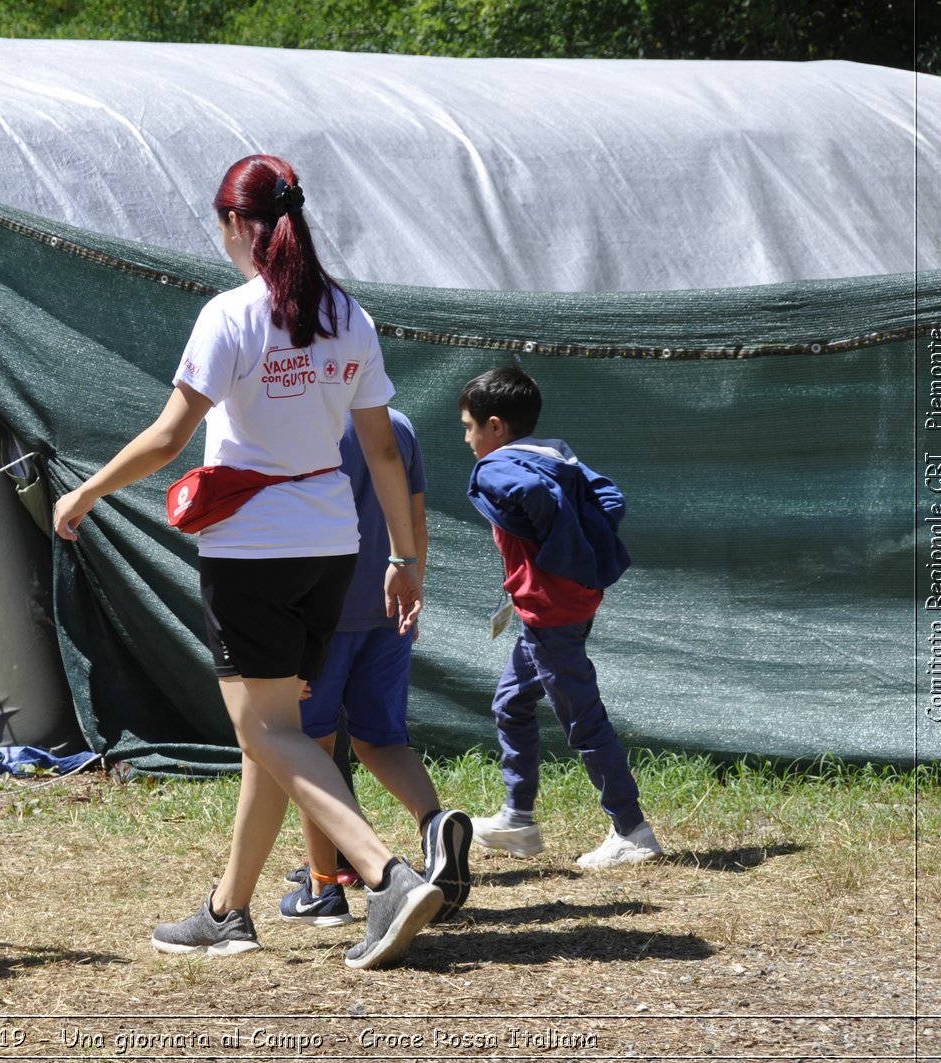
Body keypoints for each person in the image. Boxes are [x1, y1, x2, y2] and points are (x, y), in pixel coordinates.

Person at [53, 154, 444, 970]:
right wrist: (405, 555)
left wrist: (83, 492)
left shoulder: (230, 316)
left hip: (251, 551)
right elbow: (381, 448)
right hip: (333, 546)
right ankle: (228, 910)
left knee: (263, 726)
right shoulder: (351, 317)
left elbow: (167, 437)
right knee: (270, 733)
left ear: (236, 224)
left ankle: (383, 873)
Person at [458, 365, 664, 869]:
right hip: (558, 606)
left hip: (551, 612)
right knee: (511, 703)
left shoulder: (497, 467)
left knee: (582, 719)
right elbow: (609, 498)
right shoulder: (555, 454)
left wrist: (558, 557)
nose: (467, 438)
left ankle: (632, 830)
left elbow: (539, 501)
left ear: (496, 426)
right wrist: (574, 559)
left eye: (469, 426)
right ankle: (518, 820)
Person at [280, 409, 472, 928]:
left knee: (310, 749)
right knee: (382, 741)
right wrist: (414, 590)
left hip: (316, 616)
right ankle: (435, 827)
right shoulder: (399, 424)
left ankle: (323, 888)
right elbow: (415, 522)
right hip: (389, 609)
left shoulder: (292, 417)